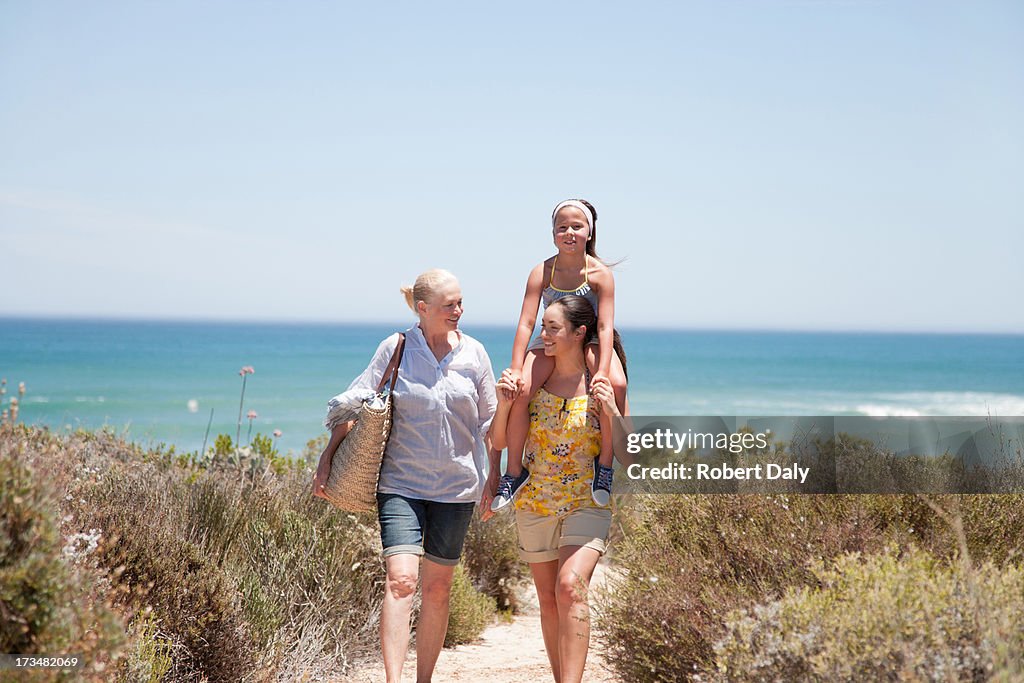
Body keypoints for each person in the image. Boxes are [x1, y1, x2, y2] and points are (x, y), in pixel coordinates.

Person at [312, 268, 503, 683]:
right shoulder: (396, 347)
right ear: (423, 308)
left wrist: (496, 479)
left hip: (458, 489)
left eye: (460, 302)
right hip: (401, 486)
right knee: (401, 581)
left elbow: (491, 425)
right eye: (450, 304)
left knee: (437, 590)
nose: (459, 310)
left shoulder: (475, 355)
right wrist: (328, 457)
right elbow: (357, 401)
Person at [485, 294, 626, 683]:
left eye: (552, 328)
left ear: (580, 333)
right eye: (542, 326)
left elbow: (631, 454)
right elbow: (498, 439)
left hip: (587, 499)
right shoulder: (535, 378)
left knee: (570, 589)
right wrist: (503, 404)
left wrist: (612, 410)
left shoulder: (603, 380)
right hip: (534, 499)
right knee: (548, 601)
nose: (542, 335)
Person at [491, 199, 628, 511]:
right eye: (561, 227)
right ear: (553, 234)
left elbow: (605, 325)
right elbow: (527, 321)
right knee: (522, 388)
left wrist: (603, 369)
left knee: (615, 386)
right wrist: (515, 366)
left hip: (588, 337)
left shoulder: (599, 274)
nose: (569, 232)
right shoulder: (542, 271)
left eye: (576, 227)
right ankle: (514, 471)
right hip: (549, 337)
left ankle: (604, 467)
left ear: (589, 233)